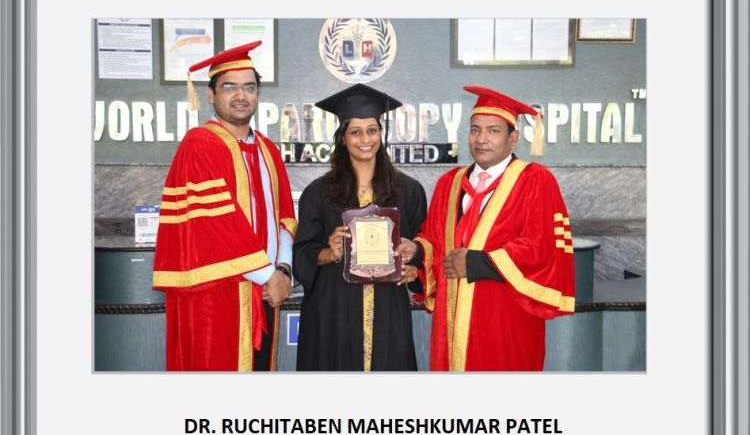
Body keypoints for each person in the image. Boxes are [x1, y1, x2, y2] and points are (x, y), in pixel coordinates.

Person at [399, 85, 575, 371]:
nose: (481, 139)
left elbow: (541, 246)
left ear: (513, 138)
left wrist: (478, 262)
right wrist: (417, 251)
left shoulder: (534, 180)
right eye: (475, 130)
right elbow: (434, 239)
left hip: (506, 322)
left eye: (493, 131)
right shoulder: (450, 183)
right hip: (451, 320)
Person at [152, 41, 296, 371]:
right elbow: (217, 227)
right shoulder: (200, 144)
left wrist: (284, 271)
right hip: (218, 294)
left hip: (267, 291)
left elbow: (285, 218)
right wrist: (270, 276)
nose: (241, 95)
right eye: (230, 87)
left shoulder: (268, 150)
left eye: (249, 87)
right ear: (211, 94)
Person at [293, 83, 427, 371]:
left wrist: (414, 267)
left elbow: (424, 249)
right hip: (334, 310)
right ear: (342, 138)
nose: (365, 139)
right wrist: (329, 252)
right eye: (355, 132)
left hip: (388, 309)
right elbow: (302, 255)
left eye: (372, 130)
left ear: (381, 133)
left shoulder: (408, 191)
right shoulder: (319, 193)